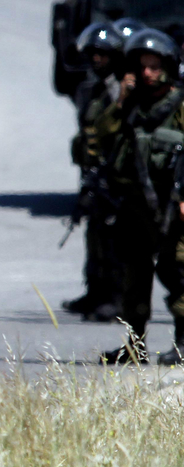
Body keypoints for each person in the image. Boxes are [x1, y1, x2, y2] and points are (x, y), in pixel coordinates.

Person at [91, 28, 184, 364]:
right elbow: (97, 138)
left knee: (178, 273)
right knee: (134, 276)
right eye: (141, 66)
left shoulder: (179, 106)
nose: (146, 73)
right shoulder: (128, 105)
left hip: (173, 207)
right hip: (134, 206)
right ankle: (134, 345)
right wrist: (120, 101)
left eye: (153, 65)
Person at [62, 22, 125, 322]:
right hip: (95, 174)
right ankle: (96, 291)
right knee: (95, 235)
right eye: (93, 53)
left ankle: (115, 298)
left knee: (114, 238)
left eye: (103, 54)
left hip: (115, 175)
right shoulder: (92, 89)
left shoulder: (120, 89)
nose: (97, 59)